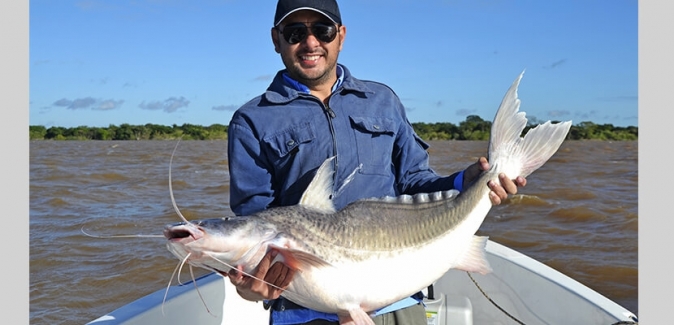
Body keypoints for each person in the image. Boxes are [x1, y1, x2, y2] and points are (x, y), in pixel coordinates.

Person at [225, 0, 526, 324]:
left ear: (340, 35)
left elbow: (414, 181)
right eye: (295, 31)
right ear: (276, 39)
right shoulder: (251, 121)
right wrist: (252, 286)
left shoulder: (383, 101)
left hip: (396, 302)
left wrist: (465, 183)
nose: (310, 42)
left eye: (322, 30)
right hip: (303, 313)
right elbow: (254, 229)